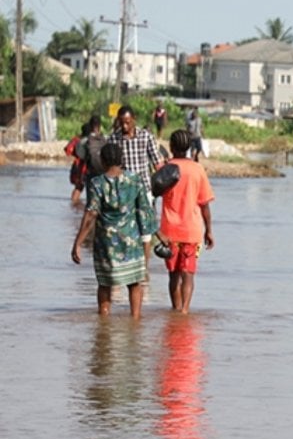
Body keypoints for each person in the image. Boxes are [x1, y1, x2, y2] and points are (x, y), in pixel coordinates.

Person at [71, 142, 158, 319]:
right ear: (121, 159)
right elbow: (145, 210)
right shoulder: (135, 180)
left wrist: (77, 243)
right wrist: (156, 234)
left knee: (105, 284)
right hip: (131, 242)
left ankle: (104, 322)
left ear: (103, 161)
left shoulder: (97, 183)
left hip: (107, 244)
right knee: (134, 283)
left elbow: (90, 215)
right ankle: (135, 321)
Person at [158, 130, 215, 314]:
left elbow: (154, 191)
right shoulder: (198, 169)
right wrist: (209, 230)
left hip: (169, 231)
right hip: (192, 231)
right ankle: (184, 312)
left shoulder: (165, 168)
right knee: (188, 275)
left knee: (173, 276)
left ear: (171, 147)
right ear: (190, 147)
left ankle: (175, 310)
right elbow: (204, 204)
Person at [109, 105, 163, 196]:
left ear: (134, 119)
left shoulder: (146, 136)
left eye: (127, 123)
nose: (124, 126)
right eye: (121, 123)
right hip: (123, 191)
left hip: (144, 188)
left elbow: (157, 163)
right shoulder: (113, 139)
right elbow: (110, 166)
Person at [64, 122, 88, 205]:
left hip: (78, 166)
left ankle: (73, 205)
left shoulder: (77, 139)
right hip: (86, 167)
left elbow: (68, 150)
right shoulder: (92, 139)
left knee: (78, 187)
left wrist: (76, 155)